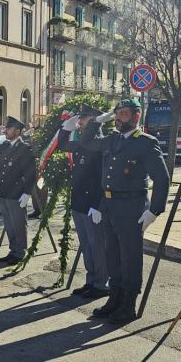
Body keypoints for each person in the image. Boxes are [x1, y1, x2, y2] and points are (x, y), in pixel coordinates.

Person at [78, 98, 170, 324]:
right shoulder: (111, 139)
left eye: (124, 114)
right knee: (112, 255)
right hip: (109, 207)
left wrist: (154, 211)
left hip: (132, 208)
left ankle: (128, 304)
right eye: (117, 114)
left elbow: (162, 179)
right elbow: (87, 142)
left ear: (137, 116)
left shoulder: (146, 143)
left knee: (130, 257)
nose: (119, 118)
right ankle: (115, 298)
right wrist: (98, 121)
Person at [57, 104, 110, 299]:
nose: (80, 122)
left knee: (97, 245)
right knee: (86, 245)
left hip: (93, 205)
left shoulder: (102, 144)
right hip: (79, 203)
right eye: (80, 119)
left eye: (84, 119)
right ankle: (91, 281)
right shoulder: (82, 144)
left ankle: (102, 284)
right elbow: (62, 146)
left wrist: (98, 205)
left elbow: (106, 179)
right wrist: (66, 128)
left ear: (96, 120)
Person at [0, 116, 36, 266]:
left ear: (17, 131)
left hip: (17, 193)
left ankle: (20, 253)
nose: (6, 130)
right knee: (9, 225)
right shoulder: (5, 145)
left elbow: (31, 173)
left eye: (9, 128)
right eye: (6, 128)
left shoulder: (25, 148)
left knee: (18, 224)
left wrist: (27, 193)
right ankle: (13, 250)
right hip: (4, 192)